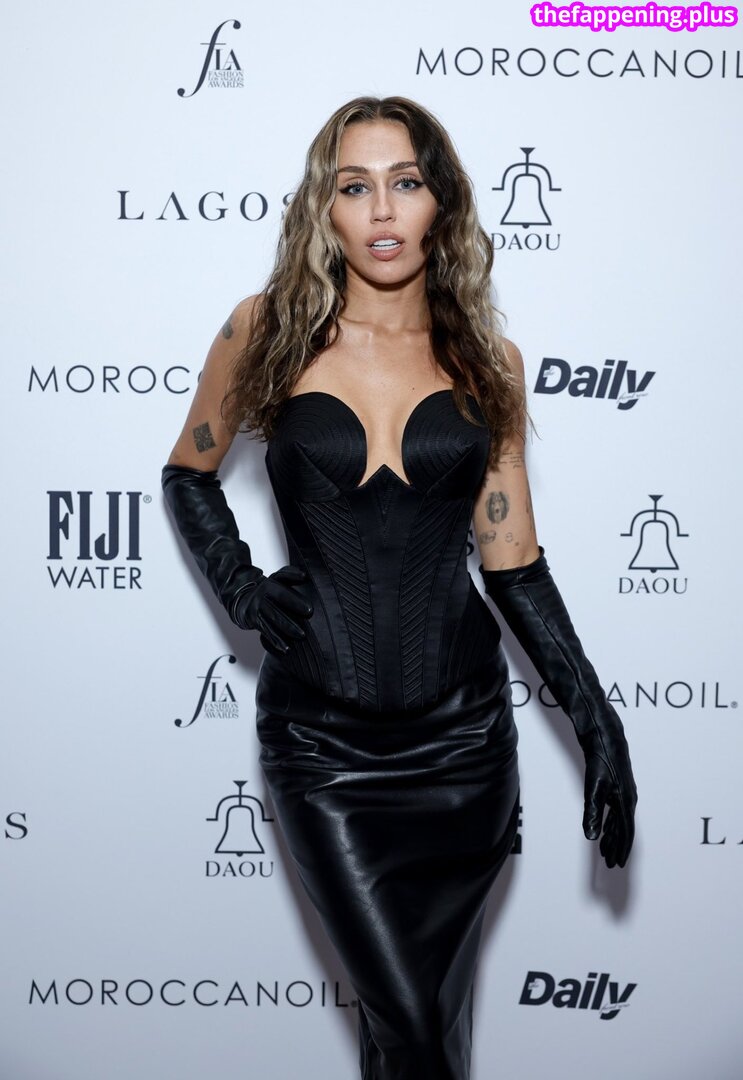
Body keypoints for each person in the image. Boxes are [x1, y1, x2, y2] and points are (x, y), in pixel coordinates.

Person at [162, 95, 637, 1080]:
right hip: (321, 751)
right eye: (354, 186)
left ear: (440, 202)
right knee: (418, 1038)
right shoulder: (265, 331)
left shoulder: (486, 363)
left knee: (417, 1040)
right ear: (324, 209)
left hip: (463, 749)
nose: (381, 209)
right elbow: (188, 474)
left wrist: (598, 722)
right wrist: (241, 591)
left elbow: (512, 563)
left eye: (405, 182)